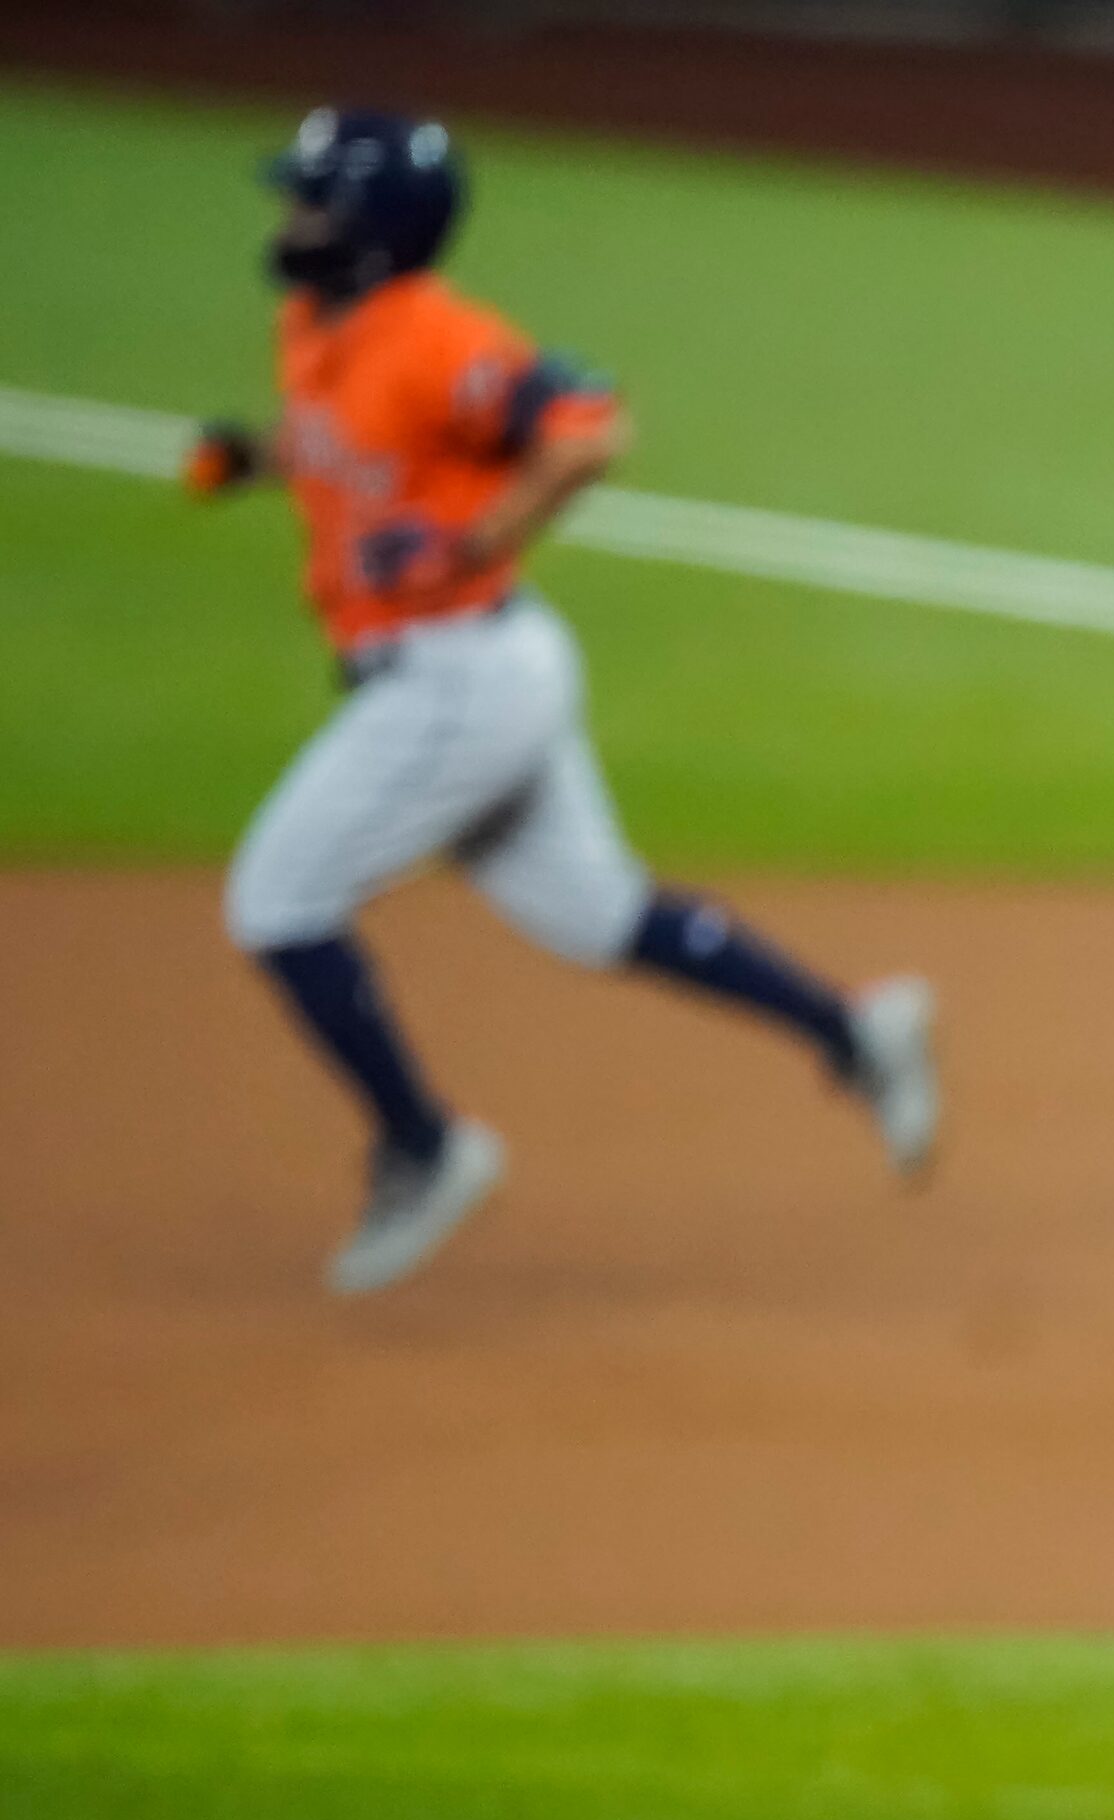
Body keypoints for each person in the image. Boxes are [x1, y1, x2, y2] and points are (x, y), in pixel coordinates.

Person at [189, 107, 938, 1294]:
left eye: (311, 202)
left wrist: (475, 537)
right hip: (480, 671)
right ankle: (855, 1032)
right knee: (597, 915)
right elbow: (352, 441)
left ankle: (425, 1148)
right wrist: (260, 462)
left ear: (376, 229)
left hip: (459, 677)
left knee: (278, 903)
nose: (289, 221)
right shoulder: (312, 324)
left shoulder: (438, 336)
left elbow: (590, 431)